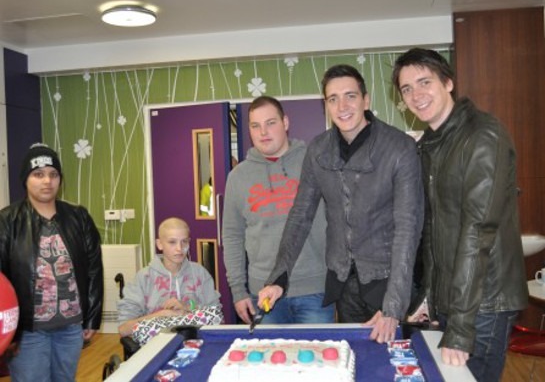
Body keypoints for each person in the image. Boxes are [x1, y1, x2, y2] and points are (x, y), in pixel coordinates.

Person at [258, 65, 424, 343]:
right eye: (333, 99)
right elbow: (300, 216)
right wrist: (278, 278)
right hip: (343, 283)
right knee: (354, 361)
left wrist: (393, 307)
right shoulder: (318, 149)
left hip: (389, 282)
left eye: (350, 96)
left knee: (394, 365)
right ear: (326, 105)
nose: (342, 106)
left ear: (366, 100)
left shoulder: (400, 147)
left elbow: (408, 229)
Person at [391, 47, 528, 381]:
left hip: (484, 302)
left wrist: (462, 327)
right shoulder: (431, 145)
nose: (416, 95)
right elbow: (436, 232)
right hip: (455, 298)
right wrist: (428, 296)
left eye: (424, 82)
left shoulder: (483, 135)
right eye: (407, 89)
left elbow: (477, 232)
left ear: (448, 82)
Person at [222, 96, 334, 325]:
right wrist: (238, 291)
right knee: (268, 360)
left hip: (314, 291)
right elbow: (232, 236)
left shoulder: (315, 162)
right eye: (255, 126)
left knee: (316, 361)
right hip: (263, 294)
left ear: (285, 122)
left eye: (270, 122)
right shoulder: (237, 177)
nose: (263, 132)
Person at [0, 143, 103, 382]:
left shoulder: (79, 217)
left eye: (53, 174)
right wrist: (8, 331)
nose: (47, 181)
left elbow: (94, 270)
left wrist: (92, 318)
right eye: (38, 174)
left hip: (70, 327)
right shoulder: (7, 221)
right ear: (26, 179)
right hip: (27, 331)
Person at [117, 217, 221, 337]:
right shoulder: (143, 278)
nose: (179, 248)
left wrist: (187, 307)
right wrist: (160, 315)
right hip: (155, 347)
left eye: (184, 242)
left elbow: (217, 317)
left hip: (197, 343)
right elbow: (124, 329)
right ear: (160, 244)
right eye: (172, 242)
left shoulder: (200, 273)